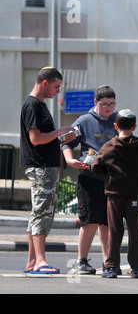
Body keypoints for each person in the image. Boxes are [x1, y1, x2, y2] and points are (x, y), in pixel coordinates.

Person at [20, 66, 76, 274]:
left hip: (44, 167)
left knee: (39, 213)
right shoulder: (33, 105)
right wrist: (60, 131)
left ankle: (33, 261)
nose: (58, 91)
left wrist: (60, 136)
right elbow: (36, 139)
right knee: (42, 213)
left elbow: (44, 137)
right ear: (45, 83)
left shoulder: (39, 105)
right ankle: (40, 261)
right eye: (56, 86)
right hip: (40, 167)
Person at [61, 85, 118, 275]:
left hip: (111, 179)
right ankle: (81, 260)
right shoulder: (84, 121)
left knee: (108, 222)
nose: (108, 108)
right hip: (89, 177)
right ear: (95, 103)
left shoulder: (118, 120)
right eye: (104, 105)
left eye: (111, 104)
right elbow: (67, 142)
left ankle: (108, 261)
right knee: (90, 220)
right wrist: (70, 159)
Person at [91, 109, 138, 278]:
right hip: (133, 195)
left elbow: (95, 166)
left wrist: (109, 173)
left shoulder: (108, 146)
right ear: (134, 127)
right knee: (135, 232)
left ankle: (111, 266)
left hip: (114, 195)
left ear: (115, 126)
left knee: (114, 230)